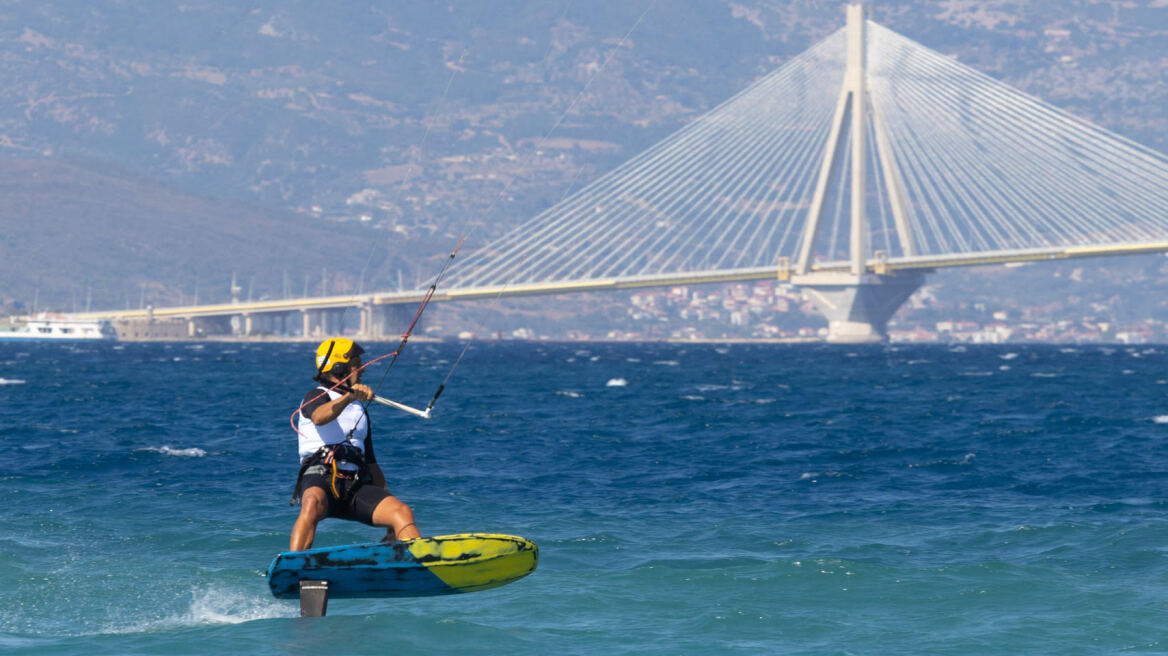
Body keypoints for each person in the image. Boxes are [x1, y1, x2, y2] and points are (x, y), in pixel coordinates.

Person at [289, 337, 421, 551]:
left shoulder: (360, 410)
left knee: (401, 512)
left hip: (355, 485)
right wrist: (348, 398)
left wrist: (390, 525)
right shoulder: (316, 395)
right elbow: (319, 418)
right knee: (312, 503)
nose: (363, 369)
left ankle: (422, 563)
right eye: (357, 364)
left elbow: (371, 462)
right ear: (339, 368)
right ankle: (293, 564)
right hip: (321, 477)